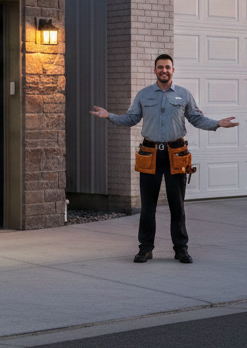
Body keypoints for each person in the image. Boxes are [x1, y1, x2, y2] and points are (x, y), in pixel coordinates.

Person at [91, 53, 238, 264]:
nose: (164, 71)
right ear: (155, 70)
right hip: (149, 154)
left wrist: (217, 123)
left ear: (173, 70)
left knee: (177, 205)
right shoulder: (143, 95)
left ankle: (181, 249)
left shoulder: (184, 95)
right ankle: (145, 249)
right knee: (147, 206)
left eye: (167, 67)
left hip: (176, 154)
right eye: (160, 67)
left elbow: (196, 119)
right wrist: (110, 116)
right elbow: (131, 118)